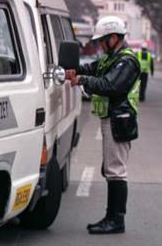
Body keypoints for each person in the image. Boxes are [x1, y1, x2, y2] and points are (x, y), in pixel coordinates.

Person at [65, 16, 140, 235]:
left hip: (120, 120)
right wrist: (73, 70)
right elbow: (91, 68)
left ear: (114, 38)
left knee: (116, 171)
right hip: (113, 117)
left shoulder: (126, 61)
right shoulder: (111, 58)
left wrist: (81, 80)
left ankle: (116, 220)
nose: (99, 45)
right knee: (111, 170)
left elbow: (110, 85)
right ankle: (111, 217)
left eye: (101, 41)